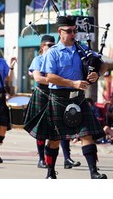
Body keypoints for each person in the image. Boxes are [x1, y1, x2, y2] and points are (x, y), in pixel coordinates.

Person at [35, 16, 108, 179]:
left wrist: (98, 75)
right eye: (69, 31)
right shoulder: (52, 53)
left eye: (75, 31)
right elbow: (50, 77)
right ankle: (51, 172)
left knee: (86, 134)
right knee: (54, 139)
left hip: (78, 99)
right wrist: (73, 83)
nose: (73, 34)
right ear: (60, 32)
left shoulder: (82, 50)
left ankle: (94, 172)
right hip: (58, 98)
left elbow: (103, 63)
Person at [24, 35, 81, 170]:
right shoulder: (38, 59)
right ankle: (41, 159)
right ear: (42, 46)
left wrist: (60, 80)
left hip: (57, 94)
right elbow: (38, 78)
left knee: (64, 125)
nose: (51, 47)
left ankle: (67, 158)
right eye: (49, 45)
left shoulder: (57, 57)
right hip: (43, 94)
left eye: (53, 45)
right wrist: (56, 79)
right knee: (42, 129)